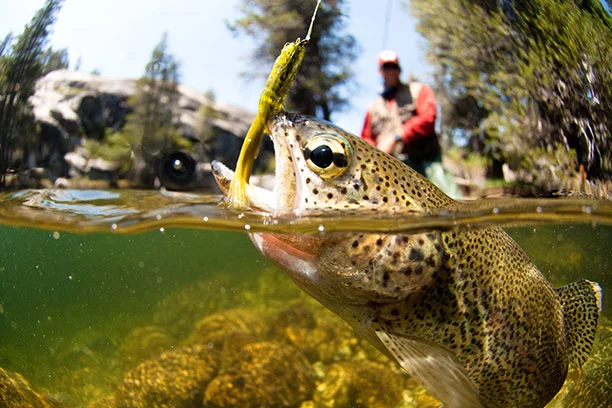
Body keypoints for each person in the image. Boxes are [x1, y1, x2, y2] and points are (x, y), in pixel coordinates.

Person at [361, 50, 461, 199]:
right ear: (380, 71)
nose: (390, 71)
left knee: (450, 200)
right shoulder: (372, 108)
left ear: (399, 70)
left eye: (393, 67)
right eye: (386, 68)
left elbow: (428, 118)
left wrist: (397, 136)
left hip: (427, 163)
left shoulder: (419, 90)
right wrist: (376, 152)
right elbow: (366, 138)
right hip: (392, 172)